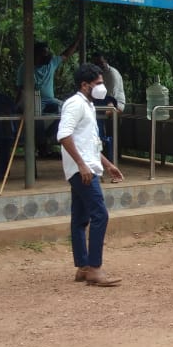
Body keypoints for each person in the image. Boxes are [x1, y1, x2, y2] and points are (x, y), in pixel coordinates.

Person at [58, 62, 125, 287]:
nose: (102, 87)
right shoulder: (75, 104)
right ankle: (95, 268)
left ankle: (83, 267)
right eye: (98, 83)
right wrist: (82, 165)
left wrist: (107, 164)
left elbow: (89, 143)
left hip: (86, 167)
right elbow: (64, 135)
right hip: (83, 171)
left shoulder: (87, 105)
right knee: (100, 215)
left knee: (80, 218)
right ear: (84, 85)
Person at [17, 29, 81, 156]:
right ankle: (42, 146)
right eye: (44, 54)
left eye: (47, 53)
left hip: (50, 100)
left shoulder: (51, 63)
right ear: (36, 55)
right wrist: (18, 105)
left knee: (68, 109)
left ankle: (48, 137)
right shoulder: (25, 68)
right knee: (36, 116)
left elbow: (66, 54)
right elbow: (20, 89)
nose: (47, 56)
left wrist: (77, 41)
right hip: (33, 100)